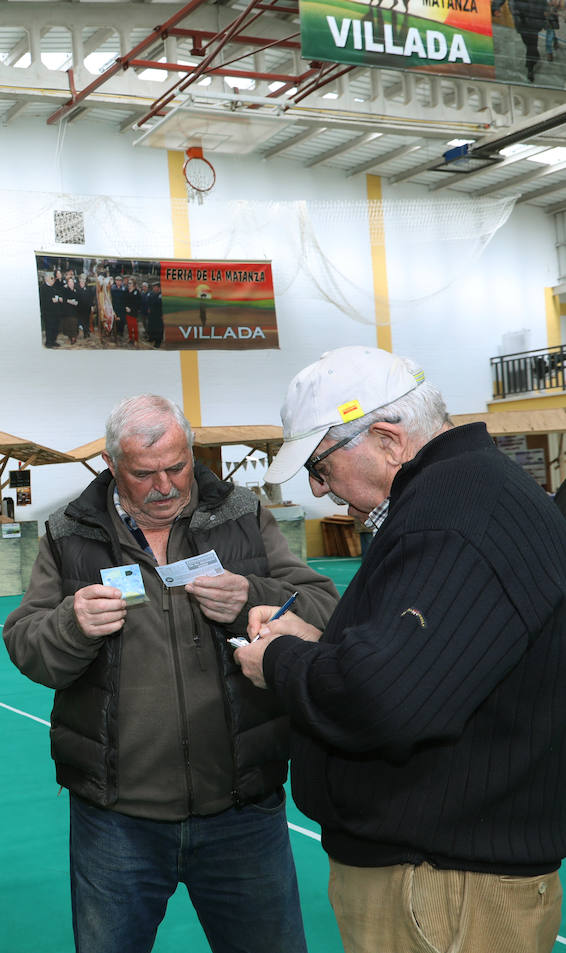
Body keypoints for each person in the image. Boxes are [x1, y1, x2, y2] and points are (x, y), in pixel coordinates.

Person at [237, 347, 566, 953]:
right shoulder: (468, 494)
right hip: (450, 873)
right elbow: (437, 658)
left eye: (320, 464)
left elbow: (387, 701)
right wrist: (319, 643)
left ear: (387, 439)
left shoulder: (449, 517)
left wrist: (278, 662)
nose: (317, 488)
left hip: (441, 886)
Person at [3, 394, 338, 953]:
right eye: (144, 473)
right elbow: (26, 644)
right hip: (116, 817)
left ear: (191, 453)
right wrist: (72, 624)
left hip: (243, 807)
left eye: (177, 466)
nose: (166, 486)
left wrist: (252, 594)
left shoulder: (243, 513)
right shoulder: (68, 533)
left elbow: (324, 609)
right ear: (112, 467)